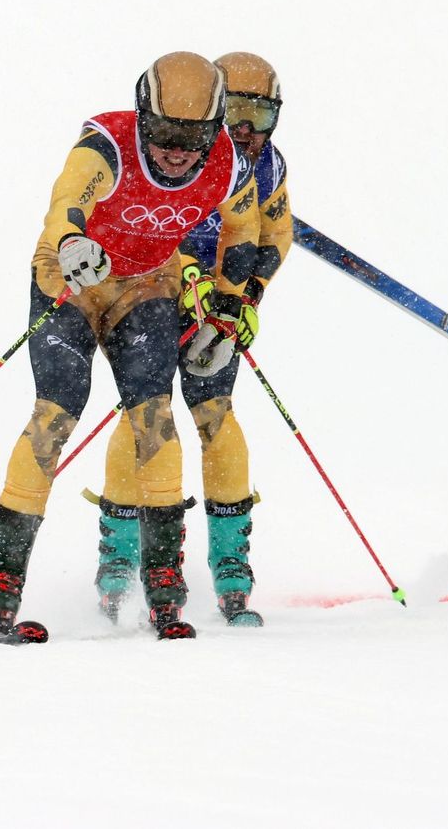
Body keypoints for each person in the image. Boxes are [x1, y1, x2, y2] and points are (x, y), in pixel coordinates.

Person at [0, 51, 260, 641]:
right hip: (71, 277)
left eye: (193, 140)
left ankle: (163, 587)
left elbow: (244, 228)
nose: (177, 152)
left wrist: (228, 307)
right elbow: (65, 201)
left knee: (153, 419)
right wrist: (73, 237)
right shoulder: (107, 142)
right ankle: (0, 586)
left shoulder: (226, 164)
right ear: (141, 115)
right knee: (57, 410)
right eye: (163, 135)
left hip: (147, 285)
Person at [93, 51, 292, 628]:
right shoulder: (180, 157)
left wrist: (244, 299)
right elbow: (149, 222)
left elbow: (274, 234)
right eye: (234, 112)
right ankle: (119, 559)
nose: (247, 130)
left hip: (216, 307)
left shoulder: (268, 168)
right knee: (143, 418)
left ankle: (231, 567)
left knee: (215, 415)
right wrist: (185, 272)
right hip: (147, 292)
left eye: (261, 115)